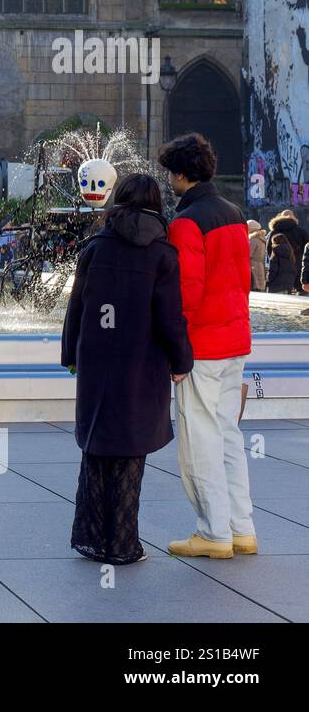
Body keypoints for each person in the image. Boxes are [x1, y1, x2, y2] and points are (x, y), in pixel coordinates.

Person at [61, 174, 193, 565]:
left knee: (98, 448)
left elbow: (77, 308)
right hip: (142, 365)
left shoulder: (95, 249)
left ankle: (91, 538)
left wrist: (71, 354)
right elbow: (170, 317)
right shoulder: (163, 254)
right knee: (131, 454)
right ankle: (122, 543)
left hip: (98, 363)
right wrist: (181, 361)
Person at [157, 133, 254, 559]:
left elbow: (186, 294)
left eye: (170, 175)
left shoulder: (186, 222)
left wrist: (176, 351)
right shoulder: (234, 214)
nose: (169, 182)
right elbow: (243, 281)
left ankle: (213, 532)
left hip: (203, 347)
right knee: (229, 435)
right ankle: (241, 528)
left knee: (200, 439)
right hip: (235, 341)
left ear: (181, 174)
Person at [269, 210, 307, 294]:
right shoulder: (301, 231)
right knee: (300, 289)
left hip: (278, 263)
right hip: (298, 262)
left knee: (281, 288)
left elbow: (268, 248)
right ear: (293, 218)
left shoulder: (274, 231)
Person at [247, 220, 267, 292]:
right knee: (258, 287)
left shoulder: (253, 239)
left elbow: (248, 253)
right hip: (259, 265)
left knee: (253, 287)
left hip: (252, 266)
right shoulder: (261, 238)